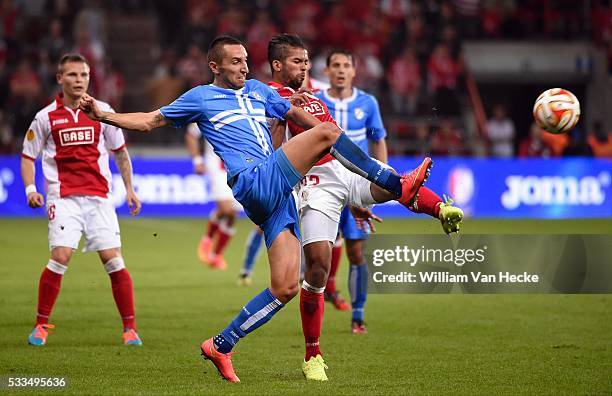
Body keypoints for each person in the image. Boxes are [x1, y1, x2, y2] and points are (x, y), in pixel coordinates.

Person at [78, 35, 431, 383]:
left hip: (277, 193)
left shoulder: (260, 90)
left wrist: (331, 138)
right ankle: (398, 185)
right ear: (214, 66)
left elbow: (296, 115)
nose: (243, 67)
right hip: (253, 179)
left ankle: (221, 345)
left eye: (246, 60)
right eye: (235, 62)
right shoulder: (201, 97)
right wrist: (103, 115)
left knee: (286, 287)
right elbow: (149, 121)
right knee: (328, 134)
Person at [267, 35, 464, 381]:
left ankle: (442, 211)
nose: (305, 67)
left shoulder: (312, 93)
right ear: (278, 66)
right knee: (317, 266)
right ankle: (312, 354)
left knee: (389, 184)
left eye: (307, 61)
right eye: (298, 62)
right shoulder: (273, 96)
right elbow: (277, 146)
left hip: (347, 164)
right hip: (316, 180)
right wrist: (280, 120)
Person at [317, 50, 463, 334]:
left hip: (359, 181)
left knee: (357, 253)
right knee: (321, 254)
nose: (341, 70)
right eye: (336, 65)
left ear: (354, 71)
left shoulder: (367, 102)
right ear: (327, 71)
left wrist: (380, 175)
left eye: (347, 65)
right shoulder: (318, 101)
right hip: (327, 182)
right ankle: (324, 296)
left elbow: (378, 140)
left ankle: (358, 316)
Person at [21, 53, 142, 347]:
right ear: (60, 78)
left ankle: (130, 329)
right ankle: (40, 326)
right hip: (63, 198)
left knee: (113, 260)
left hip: (99, 197)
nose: (79, 80)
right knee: (61, 255)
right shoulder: (45, 116)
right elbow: (28, 156)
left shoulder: (102, 112)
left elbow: (120, 153)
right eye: (73, 75)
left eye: (84, 75)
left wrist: (129, 188)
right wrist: (29, 189)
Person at [185, 123, 240, 269]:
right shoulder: (209, 107)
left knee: (231, 214)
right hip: (217, 167)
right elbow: (191, 134)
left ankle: (216, 255)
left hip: (238, 168)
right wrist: (197, 160)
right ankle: (207, 240)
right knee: (228, 210)